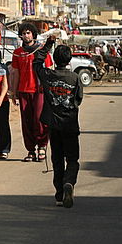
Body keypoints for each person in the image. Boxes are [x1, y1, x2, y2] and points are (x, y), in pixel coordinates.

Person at [32, 33, 83, 208]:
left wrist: (48, 44)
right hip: (70, 125)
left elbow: (36, 61)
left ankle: (60, 194)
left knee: (57, 160)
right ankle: (69, 182)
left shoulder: (47, 75)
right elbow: (78, 100)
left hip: (54, 126)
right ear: (69, 60)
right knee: (73, 160)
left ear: (54, 58)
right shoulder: (75, 78)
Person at [10, 23, 52, 162]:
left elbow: (49, 69)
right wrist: (13, 92)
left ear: (33, 34)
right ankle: (31, 150)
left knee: (39, 120)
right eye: (24, 33)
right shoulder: (17, 52)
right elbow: (15, 73)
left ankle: (42, 146)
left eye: (29, 32)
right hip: (23, 91)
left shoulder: (41, 50)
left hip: (39, 91)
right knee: (26, 122)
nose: (26, 35)